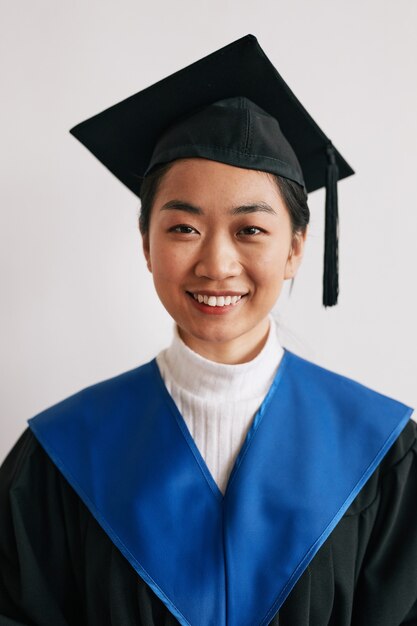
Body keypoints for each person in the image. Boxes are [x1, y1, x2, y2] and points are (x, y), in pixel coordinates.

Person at [0, 34, 416, 626]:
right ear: (146, 243)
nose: (217, 264)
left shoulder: (381, 455)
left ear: (297, 249)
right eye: (183, 229)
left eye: (250, 230)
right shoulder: (61, 455)